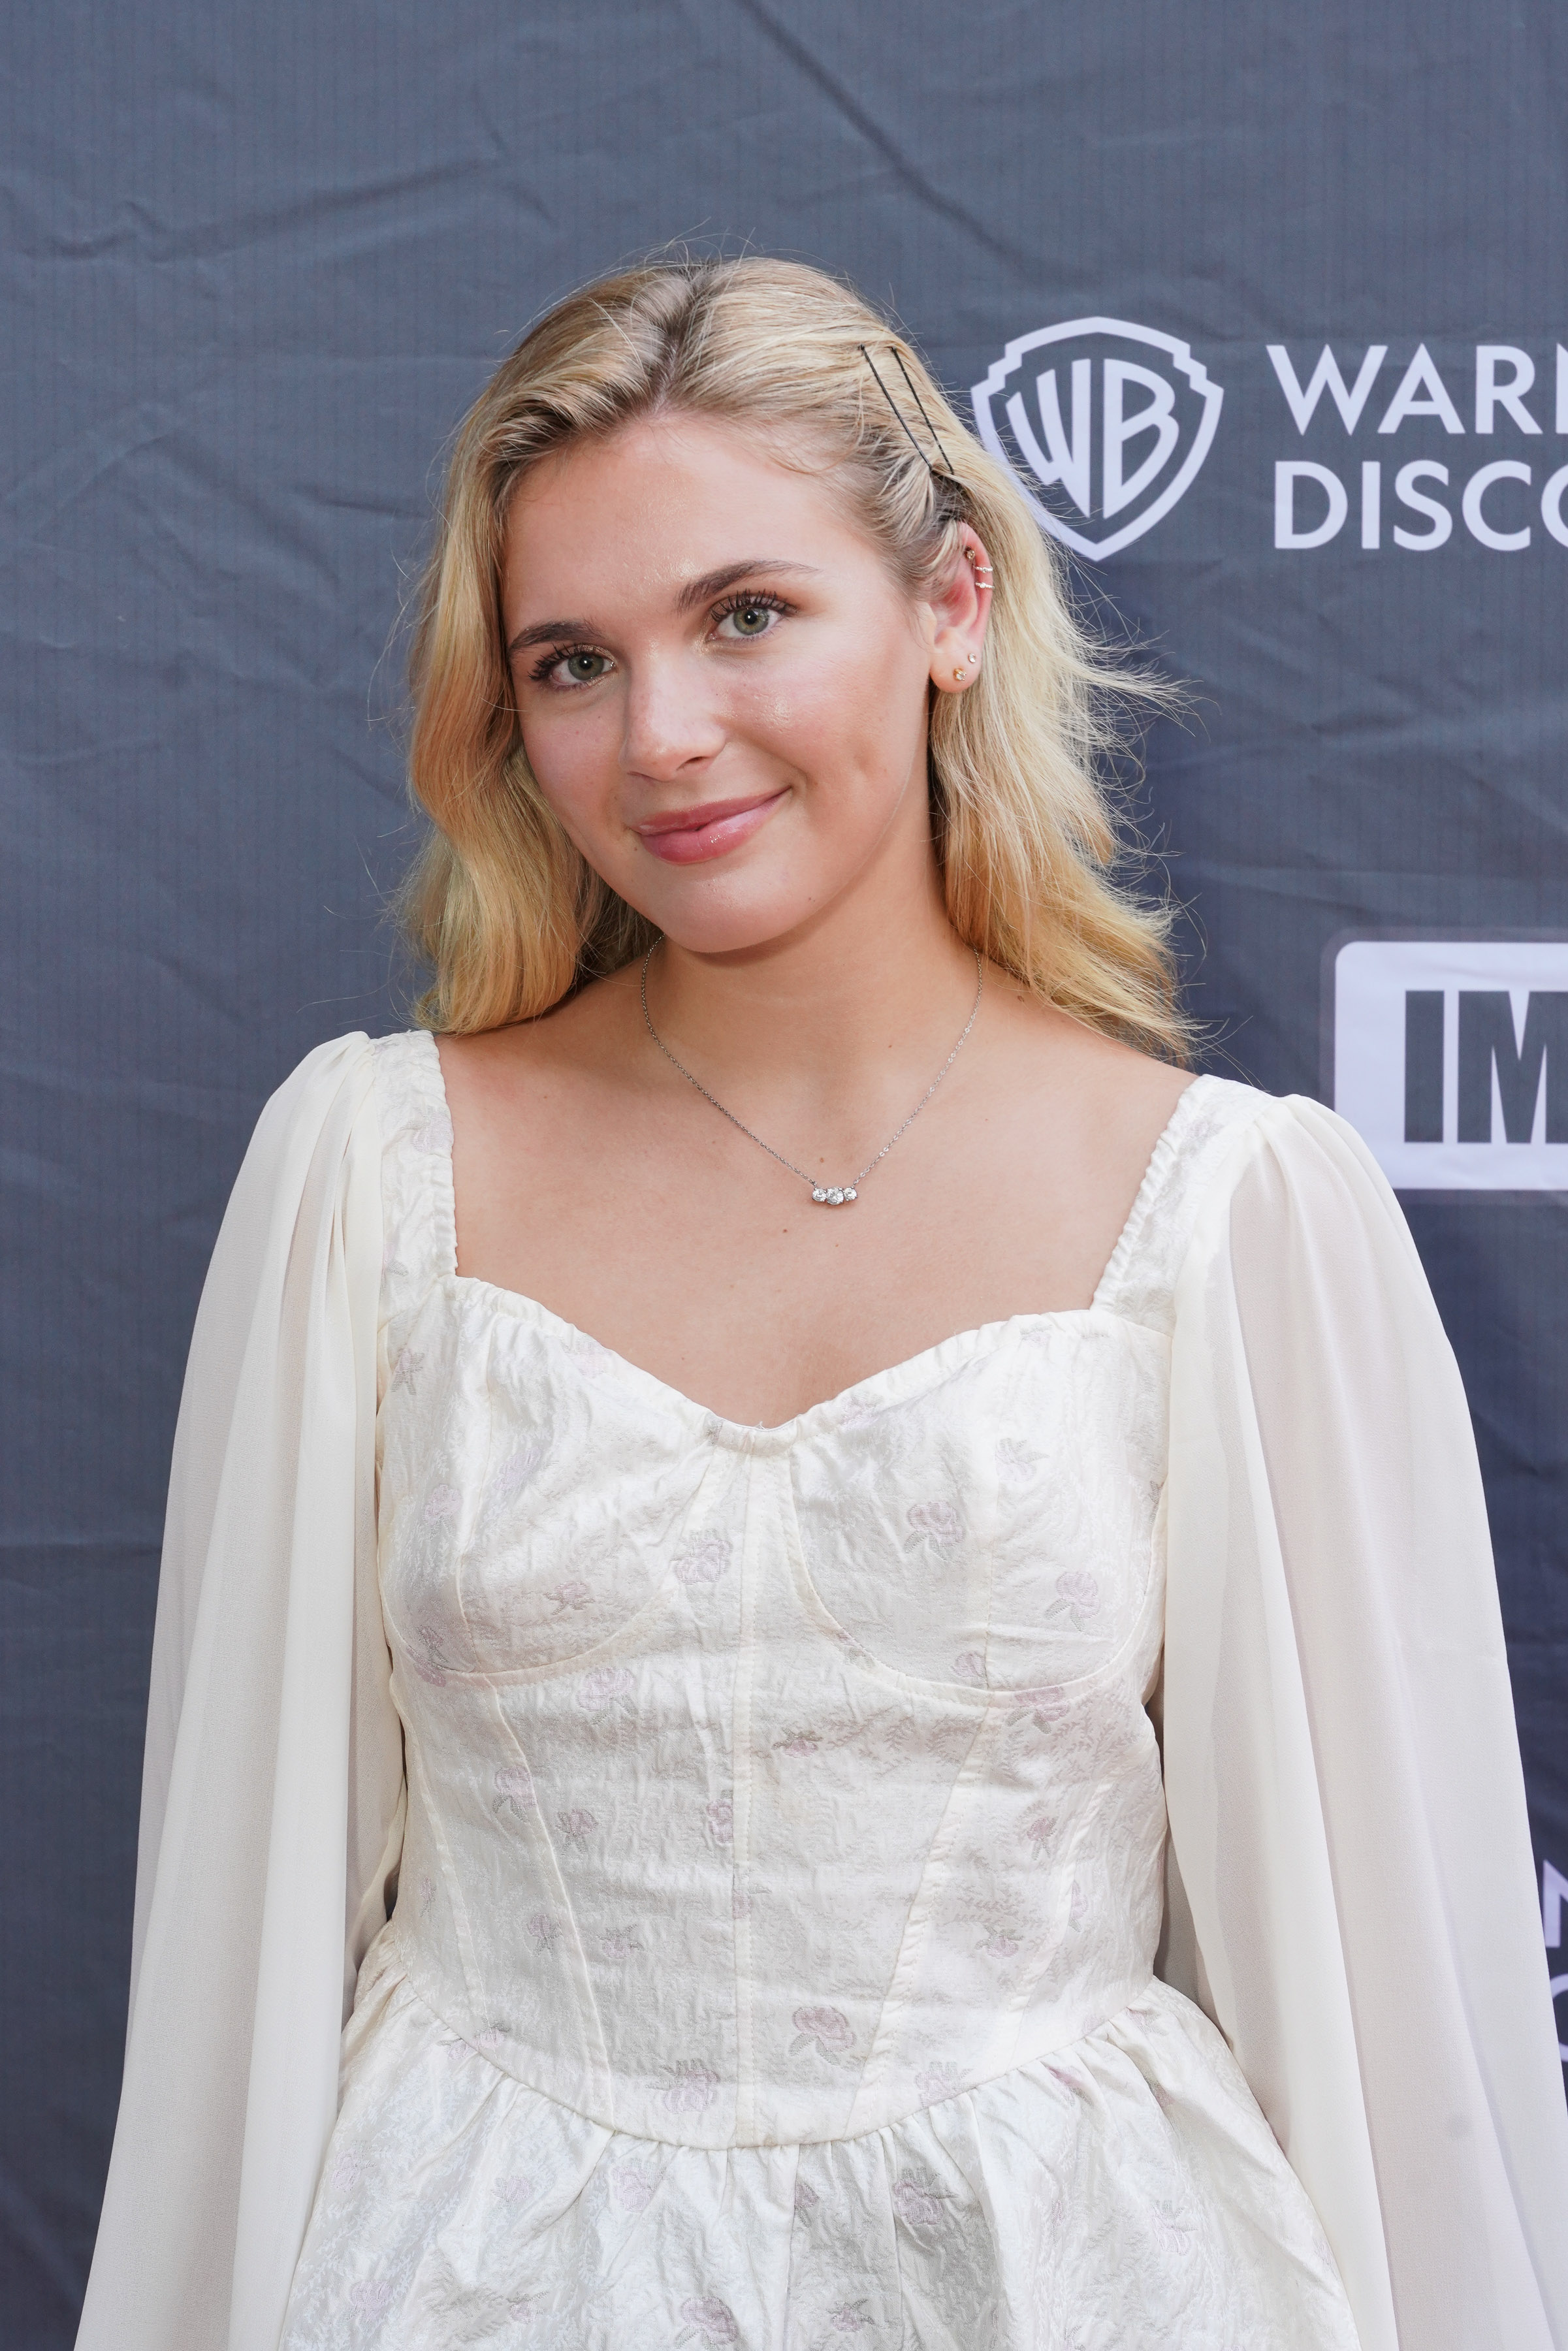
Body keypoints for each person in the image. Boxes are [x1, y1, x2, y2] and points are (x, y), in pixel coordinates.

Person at [78, 257, 1568, 2351]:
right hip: (466, 2279)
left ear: (950, 609)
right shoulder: (366, 1177)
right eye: (571, 662)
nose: (660, 737)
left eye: (744, 616)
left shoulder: (1231, 1216)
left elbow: (1392, 2047)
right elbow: (234, 1982)